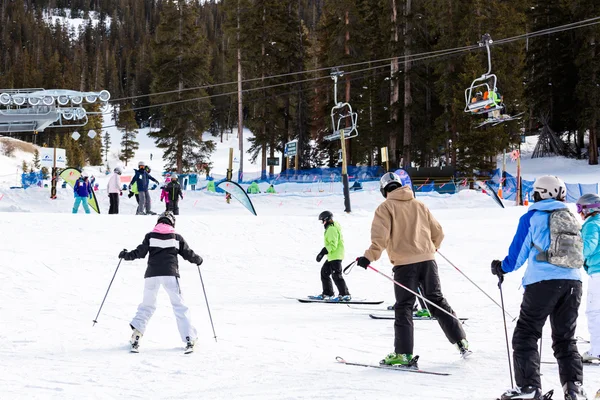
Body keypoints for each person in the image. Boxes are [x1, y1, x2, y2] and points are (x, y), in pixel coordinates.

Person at [356, 172, 468, 366]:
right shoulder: (419, 204)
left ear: (384, 190)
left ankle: (403, 353)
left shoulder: (385, 207)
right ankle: (461, 340)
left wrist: (368, 257)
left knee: (404, 306)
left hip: (404, 265)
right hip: (428, 262)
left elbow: (380, 238)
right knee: (436, 300)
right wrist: (431, 248)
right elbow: (438, 232)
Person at [491, 175, 586, 400]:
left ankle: (529, 388)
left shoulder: (532, 217)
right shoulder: (570, 217)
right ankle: (574, 389)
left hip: (542, 283)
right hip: (574, 282)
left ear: (539, 193)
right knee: (565, 338)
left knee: (526, 333)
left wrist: (501, 267)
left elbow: (516, 256)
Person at [118, 211, 204, 353]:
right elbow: (188, 254)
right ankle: (189, 338)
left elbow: (139, 253)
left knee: (147, 306)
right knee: (179, 306)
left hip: (151, 275)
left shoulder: (150, 236)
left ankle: (136, 336)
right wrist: (198, 260)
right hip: (170, 275)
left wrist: (126, 255)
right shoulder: (176, 237)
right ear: (172, 223)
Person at [576, 193, 600, 364]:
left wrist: (576, 256)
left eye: (580, 209)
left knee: (594, 312)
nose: (579, 213)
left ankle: (597, 351)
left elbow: (588, 247)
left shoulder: (592, 224)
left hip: (598, 273)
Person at [311, 211, 350, 301]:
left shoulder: (332, 229)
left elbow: (333, 245)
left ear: (327, 219)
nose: (322, 223)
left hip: (335, 255)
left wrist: (323, 252)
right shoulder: (331, 227)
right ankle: (328, 293)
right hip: (332, 256)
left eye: (322, 221)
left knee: (336, 275)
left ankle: (345, 294)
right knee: (324, 273)